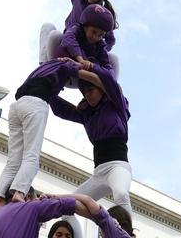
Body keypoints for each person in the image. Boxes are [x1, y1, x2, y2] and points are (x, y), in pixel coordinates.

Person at [0, 59, 83, 206]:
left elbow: (56, 102)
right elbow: (80, 69)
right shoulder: (63, 65)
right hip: (35, 104)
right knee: (32, 156)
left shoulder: (43, 70)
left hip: (17, 106)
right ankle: (19, 192)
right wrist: (82, 62)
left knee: (14, 159)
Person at [53, 63, 134, 217]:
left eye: (91, 90)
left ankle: (128, 237)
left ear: (101, 90)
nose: (87, 95)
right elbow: (60, 110)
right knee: (67, 210)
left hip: (118, 167)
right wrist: (51, 85)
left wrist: (78, 68)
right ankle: (99, 226)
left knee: (121, 194)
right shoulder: (86, 115)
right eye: (84, 93)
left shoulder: (116, 103)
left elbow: (107, 79)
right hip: (99, 173)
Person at [53, 5, 116, 73]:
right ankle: (47, 64)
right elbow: (68, 39)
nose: (96, 37)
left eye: (101, 35)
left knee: (113, 59)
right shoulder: (76, 29)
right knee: (56, 37)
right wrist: (81, 59)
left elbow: (106, 63)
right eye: (93, 32)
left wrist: (107, 74)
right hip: (66, 60)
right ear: (85, 26)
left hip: (83, 71)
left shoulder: (100, 45)